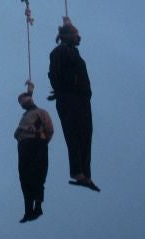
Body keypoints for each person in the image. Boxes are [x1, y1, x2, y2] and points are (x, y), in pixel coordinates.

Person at [48, 21, 100, 192]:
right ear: (67, 36)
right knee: (74, 135)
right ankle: (78, 172)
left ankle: (85, 174)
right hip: (70, 98)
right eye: (76, 33)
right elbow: (55, 73)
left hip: (81, 98)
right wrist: (63, 88)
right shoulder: (60, 51)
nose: (79, 36)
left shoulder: (73, 53)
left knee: (85, 135)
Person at [14, 80, 54, 223]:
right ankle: (28, 209)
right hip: (23, 146)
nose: (22, 103)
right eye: (21, 102)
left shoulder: (40, 113)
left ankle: (37, 207)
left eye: (23, 100)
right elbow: (29, 98)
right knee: (24, 177)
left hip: (36, 144)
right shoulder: (25, 116)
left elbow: (49, 129)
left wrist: (40, 138)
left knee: (37, 175)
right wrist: (30, 89)